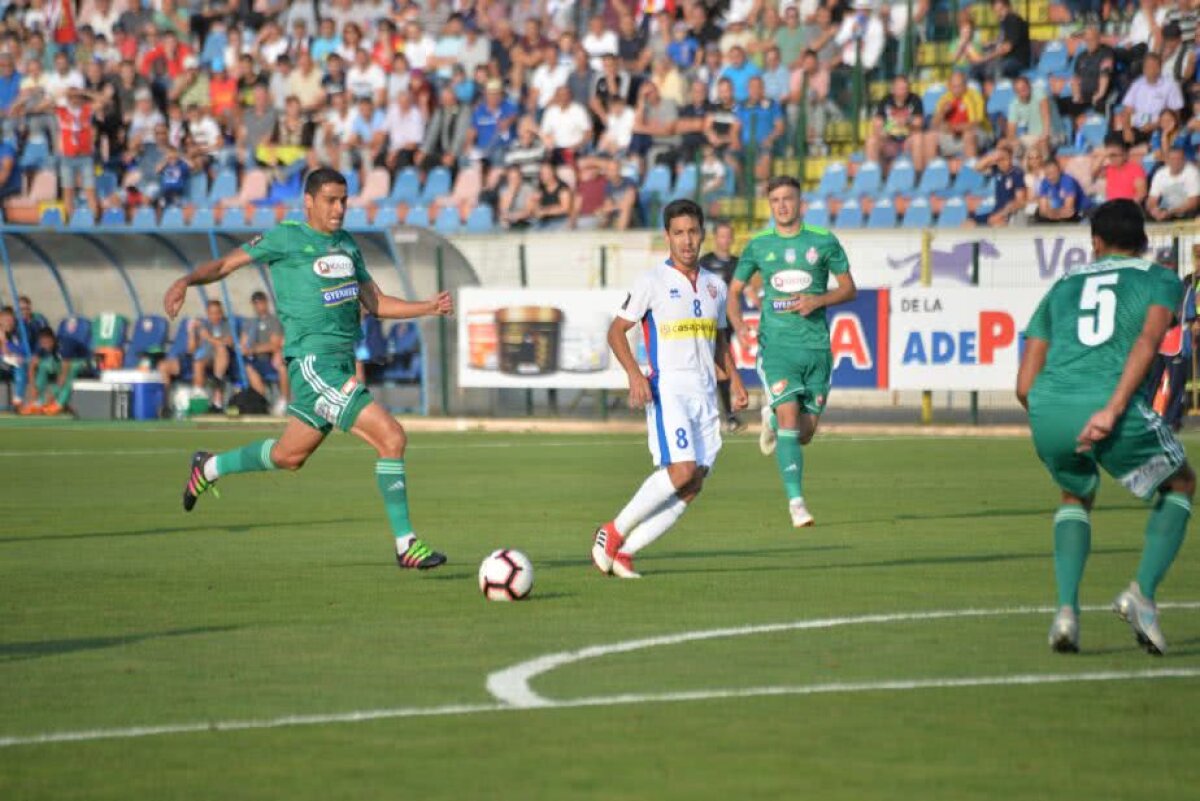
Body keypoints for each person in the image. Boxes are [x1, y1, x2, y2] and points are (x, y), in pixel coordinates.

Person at [162, 168, 454, 571]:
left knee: (289, 456)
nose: (338, 209)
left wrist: (428, 307)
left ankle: (208, 467)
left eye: (344, 200)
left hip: (338, 362)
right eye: (331, 200)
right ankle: (406, 544)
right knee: (391, 436)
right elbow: (226, 265)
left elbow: (377, 302)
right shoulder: (287, 237)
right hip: (314, 365)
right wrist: (186, 281)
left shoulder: (347, 245)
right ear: (310, 202)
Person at [1016, 199, 1193, 655]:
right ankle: (1142, 595)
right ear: (1145, 241)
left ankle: (1066, 614)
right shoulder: (1159, 279)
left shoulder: (1061, 287)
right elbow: (1149, 342)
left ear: (1095, 243)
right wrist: (1112, 409)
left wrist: (1051, 412)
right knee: (1180, 484)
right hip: (1105, 404)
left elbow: (1023, 384)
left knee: (1075, 495)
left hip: (1048, 407)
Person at [591, 199, 747, 579]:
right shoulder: (651, 282)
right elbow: (616, 332)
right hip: (670, 389)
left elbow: (720, 340)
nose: (687, 240)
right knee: (681, 470)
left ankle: (627, 553)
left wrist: (737, 382)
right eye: (678, 233)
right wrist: (635, 375)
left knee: (694, 484)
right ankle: (612, 531)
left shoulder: (715, 286)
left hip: (707, 394)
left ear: (702, 234)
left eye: (693, 232)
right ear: (667, 237)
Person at [727, 177, 857, 528]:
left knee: (804, 433)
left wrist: (819, 299)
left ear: (800, 202)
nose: (782, 205)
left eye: (788, 199)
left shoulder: (823, 241)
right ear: (770, 205)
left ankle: (770, 419)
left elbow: (849, 289)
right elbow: (734, 290)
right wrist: (738, 323)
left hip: (816, 349)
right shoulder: (759, 246)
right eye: (775, 200)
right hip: (777, 348)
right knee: (789, 420)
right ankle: (796, 503)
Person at [699, 219, 745, 433]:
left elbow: (748, 290)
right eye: (721, 235)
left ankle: (727, 414)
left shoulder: (738, 263)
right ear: (715, 238)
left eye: (729, 236)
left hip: (726, 323)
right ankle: (723, 414)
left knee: (722, 366)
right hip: (705, 323)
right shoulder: (704, 263)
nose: (725, 240)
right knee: (712, 367)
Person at [241, 290, 288, 405]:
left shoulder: (274, 321)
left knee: (282, 369)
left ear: (266, 303)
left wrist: (254, 349)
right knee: (249, 368)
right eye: (256, 303)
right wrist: (248, 349)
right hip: (255, 360)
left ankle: (284, 401)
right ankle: (261, 402)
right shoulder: (249, 323)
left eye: (261, 302)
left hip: (270, 359)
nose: (259, 306)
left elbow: (274, 345)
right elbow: (243, 344)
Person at [1146, 144, 1200, 220]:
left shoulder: (1192, 172)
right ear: (1167, 160)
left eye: (1179, 159)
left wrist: (1171, 212)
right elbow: (1152, 199)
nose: (1176, 162)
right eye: (1173, 159)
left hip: (1186, 212)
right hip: (1165, 211)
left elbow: (1194, 202)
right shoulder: (1160, 174)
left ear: (1184, 159)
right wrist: (1154, 210)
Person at [1034, 154, 1086, 223]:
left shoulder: (1068, 181)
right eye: (1047, 174)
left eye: (1053, 173)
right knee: (1037, 213)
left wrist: (1051, 214)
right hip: (1059, 210)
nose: (1050, 177)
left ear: (1059, 171)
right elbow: (1042, 210)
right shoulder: (1045, 182)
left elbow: (1069, 210)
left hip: (1081, 210)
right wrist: (1051, 214)